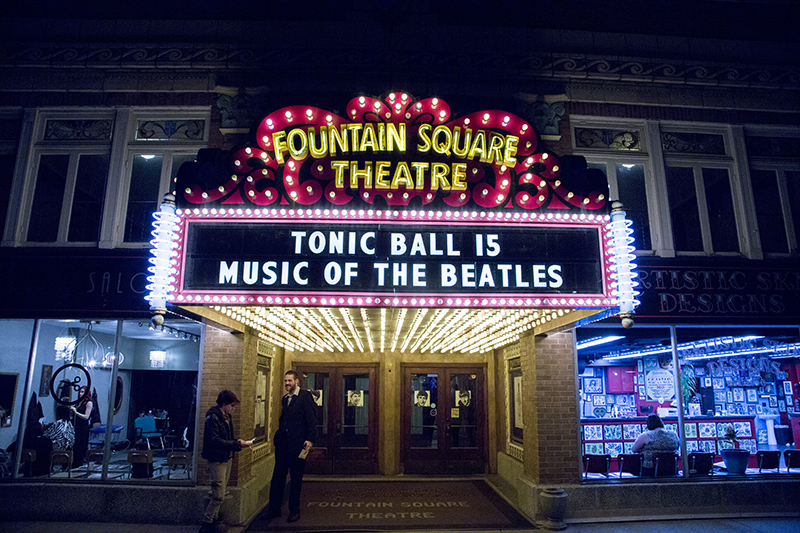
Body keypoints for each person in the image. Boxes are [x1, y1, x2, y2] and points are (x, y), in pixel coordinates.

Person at [265, 370, 317, 523]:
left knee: (296, 479)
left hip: (298, 445)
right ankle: (274, 509)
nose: (287, 383)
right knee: (277, 478)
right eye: (285, 381)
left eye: (290, 381)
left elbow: (312, 419)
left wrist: (310, 439)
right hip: (283, 445)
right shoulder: (284, 399)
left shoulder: (305, 396)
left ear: (297, 381)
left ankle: (294, 510)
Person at [200, 390, 250, 533]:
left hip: (226, 457)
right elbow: (215, 440)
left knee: (221, 490)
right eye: (232, 405)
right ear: (224, 403)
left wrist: (236, 443)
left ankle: (214, 519)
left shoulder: (226, 417)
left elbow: (225, 438)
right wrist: (236, 444)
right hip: (217, 459)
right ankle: (207, 522)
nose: (233, 408)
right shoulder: (213, 418)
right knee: (218, 495)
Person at [70, 386, 93, 467]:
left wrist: (76, 413)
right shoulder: (78, 402)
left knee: (80, 445)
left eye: (82, 392)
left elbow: (86, 416)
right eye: (80, 392)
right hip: (75, 425)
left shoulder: (89, 403)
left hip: (82, 427)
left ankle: (78, 462)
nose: (80, 394)